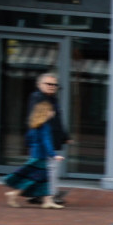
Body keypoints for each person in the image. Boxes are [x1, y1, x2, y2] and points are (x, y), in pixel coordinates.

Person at [4, 101, 64, 209]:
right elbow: (47, 142)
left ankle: (47, 201)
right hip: (41, 157)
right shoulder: (45, 126)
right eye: (51, 110)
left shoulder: (34, 125)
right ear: (46, 112)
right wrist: (53, 155)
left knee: (43, 179)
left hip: (35, 154)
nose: (53, 112)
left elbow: (28, 139)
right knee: (34, 179)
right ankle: (14, 194)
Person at [26, 73, 70, 205]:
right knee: (47, 169)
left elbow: (57, 120)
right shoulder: (37, 97)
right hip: (43, 141)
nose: (52, 86)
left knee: (47, 169)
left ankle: (40, 194)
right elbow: (37, 120)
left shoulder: (52, 99)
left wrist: (65, 136)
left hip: (52, 139)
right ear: (39, 85)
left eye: (55, 84)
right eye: (49, 84)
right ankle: (48, 195)